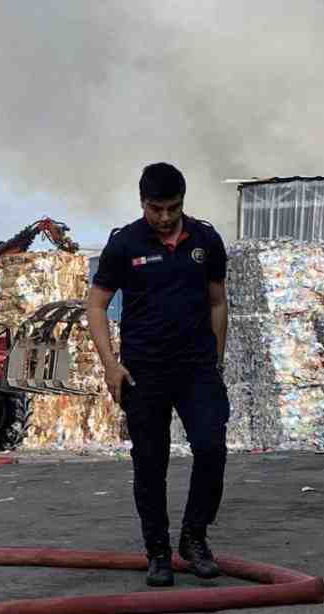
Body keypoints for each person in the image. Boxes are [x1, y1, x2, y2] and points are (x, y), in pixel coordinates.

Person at [86, 162, 230, 587]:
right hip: (143, 372)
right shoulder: (124, 243)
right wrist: (111, 365)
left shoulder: (205, 240)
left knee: (211, 448)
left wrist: (216, 360)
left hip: (195, 368)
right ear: (142, 203)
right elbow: (95, 305)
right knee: (150, 464)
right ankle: (158, 552)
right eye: (156, 208)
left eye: (173, 208)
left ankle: (194, 537)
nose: (165, 218)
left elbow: (217, 301)